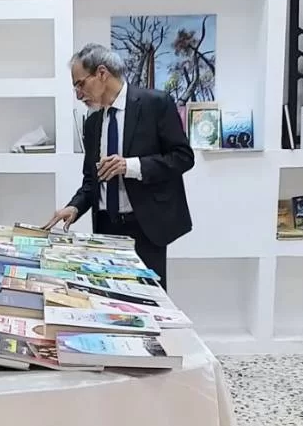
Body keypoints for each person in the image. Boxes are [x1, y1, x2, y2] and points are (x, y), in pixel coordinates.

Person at [44, 43, 194, 289]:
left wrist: (130, 166)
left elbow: (183, 157)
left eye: (80, 84)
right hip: (105, 227)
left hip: (146, 227)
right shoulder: (93, 123)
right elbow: (92, 180)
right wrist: (75, 206)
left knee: (148, 300)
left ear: (102, 73)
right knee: (109, 298)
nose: (78, 95)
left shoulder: (155, 104)